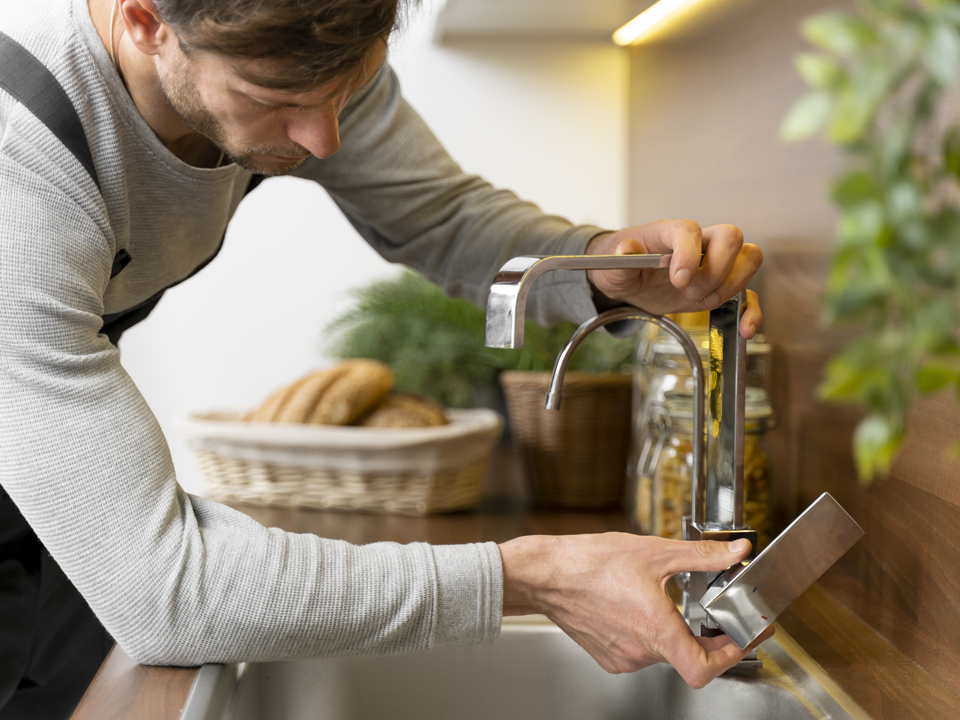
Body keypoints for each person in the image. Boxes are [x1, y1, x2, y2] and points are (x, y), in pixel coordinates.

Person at [0, 0, 767, 716]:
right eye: (277, 99)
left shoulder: (302, 49)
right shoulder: (20, 181)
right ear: (144, 21)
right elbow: (169, 592)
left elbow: (437, 214)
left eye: (349, 86)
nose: (325, 139)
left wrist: (600, 268)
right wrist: (527, 578)